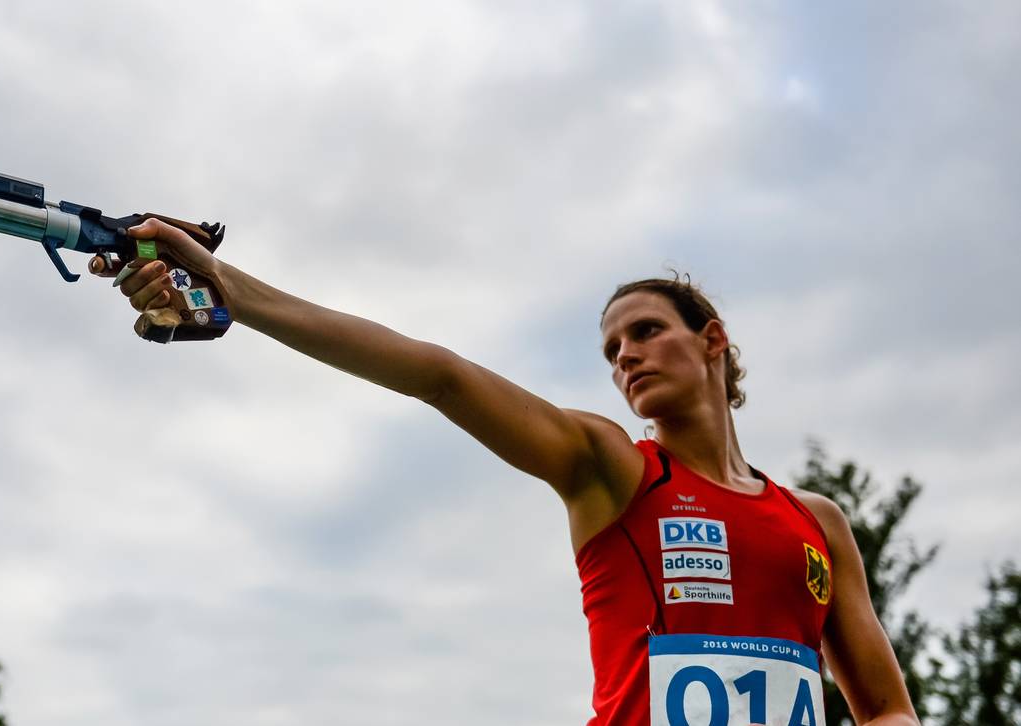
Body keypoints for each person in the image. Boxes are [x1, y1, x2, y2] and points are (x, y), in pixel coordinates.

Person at [107, 218, 920, 725]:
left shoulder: (815, 521)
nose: (625, 355)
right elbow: (440, 375)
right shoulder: (614, 471)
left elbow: (884, 708)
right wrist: (234, 291)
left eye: (643, 331)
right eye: (610, 349)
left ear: (713, 340)